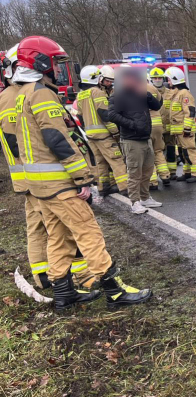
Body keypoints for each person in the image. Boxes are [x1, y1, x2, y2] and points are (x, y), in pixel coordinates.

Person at [13, 36, 151, 310]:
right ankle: (114, 290)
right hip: (59, 183)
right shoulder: (41, 93)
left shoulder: (22, 94)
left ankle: (64, 294)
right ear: (41, 62)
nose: (59, 68)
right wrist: (82, 179)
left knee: (59, 236)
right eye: (56, 62)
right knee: (88, 232)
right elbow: (57, 139)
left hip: (40, 186)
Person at [106, 67, 163, 214]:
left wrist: (148, 95)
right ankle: (135, 202)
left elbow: (157, 106)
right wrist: (132, 125)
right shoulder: (118, 96)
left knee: (148, 171)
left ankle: (145, 198)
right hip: (131, 140)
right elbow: (111, 115)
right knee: (134, 172)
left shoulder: (141, 94)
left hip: (146, 138)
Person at [74, 64, 128, 197]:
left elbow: (79, 116)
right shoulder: (97, 92)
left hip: (91, 135)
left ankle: (103, 187)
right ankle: (125, 187)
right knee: (117, 161)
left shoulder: (81, 95)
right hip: (104, 134)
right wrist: (115, 131)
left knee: (100, 162)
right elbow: (105, 114)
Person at [165, 67, 196, 182]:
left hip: (185, 130)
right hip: (178, 131)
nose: (168, 82)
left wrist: (187, 128)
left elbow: (189, 112)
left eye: (169, 80)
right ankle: (187, 172)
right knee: (182, 152)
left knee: (190, 151)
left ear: (175, 80)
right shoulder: (176, 94)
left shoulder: (185, 94)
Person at [146, 67, 169, 189]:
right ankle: (165, 176)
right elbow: (160, 104)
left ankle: (152, 181)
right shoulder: (154, 89)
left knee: (149, 154)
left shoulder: (136, 90)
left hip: (147, 125)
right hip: (158, 125)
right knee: (158, 151)